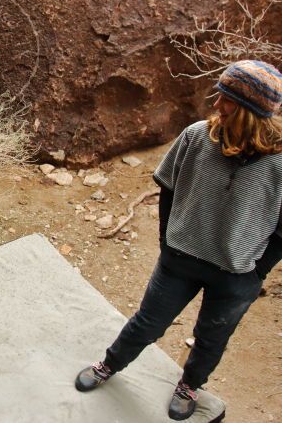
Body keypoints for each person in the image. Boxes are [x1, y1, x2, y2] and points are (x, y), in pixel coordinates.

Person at [74, 59, 282, 420]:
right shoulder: (197, 136)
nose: (216, 105)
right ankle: (109, 364)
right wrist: (169, 241)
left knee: (211, 337)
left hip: (236, 274)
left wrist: (256, 272)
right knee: (148, 322)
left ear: (250, 112)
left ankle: (190, 385)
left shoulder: (279, 165)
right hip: (180, 259)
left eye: (227, 99)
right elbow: (167, 188)